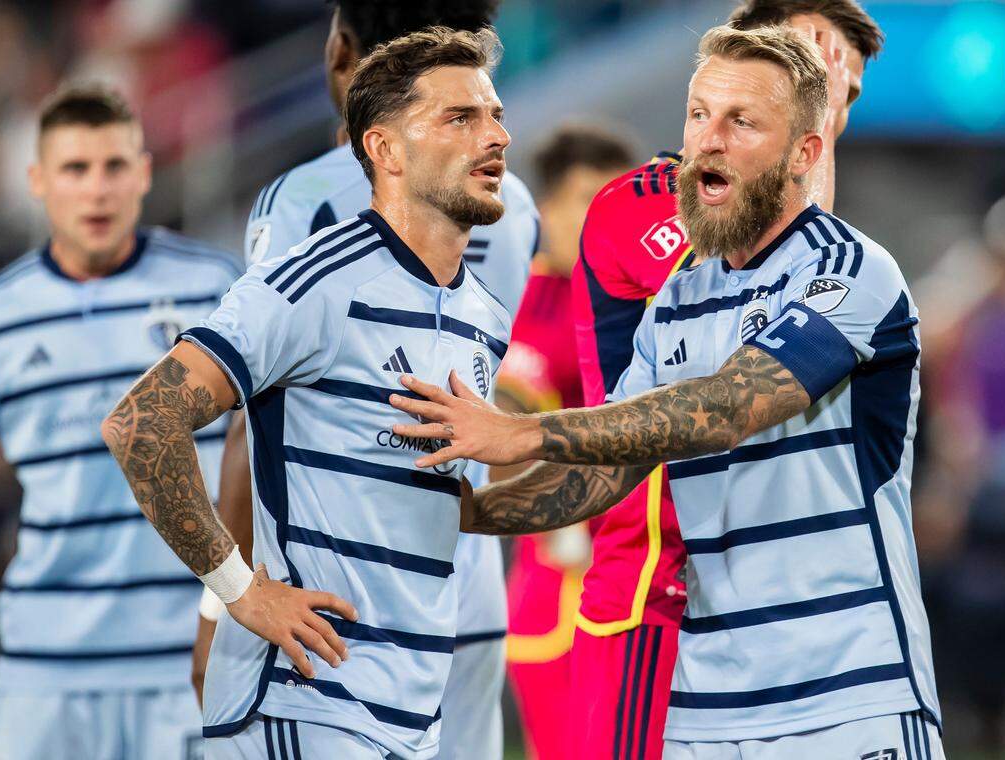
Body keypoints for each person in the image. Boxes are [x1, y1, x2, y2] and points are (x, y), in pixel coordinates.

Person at [389, 24, 944, 759]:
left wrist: (519, 433)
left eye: (740, 121)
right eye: (696, 114)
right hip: (708, 709)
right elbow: (615, 464)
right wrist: (469, 513)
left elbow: (723, 409)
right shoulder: (678, 299)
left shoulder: (850, 272)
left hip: (847, 696)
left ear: (803, 153)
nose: (705, 141)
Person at [102, 27, 513, 760]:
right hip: (305, 701)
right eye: (461, 117)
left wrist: (629, 443)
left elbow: (455, 505)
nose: (496, 137)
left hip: (408, 708)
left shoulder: (482, 314)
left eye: (496, 114)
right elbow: (142, 420)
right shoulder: (313, 280)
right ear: (384, 150)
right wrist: (235, 591)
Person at [568, 1, 884, 756]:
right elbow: (757, 265)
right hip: (659, 594)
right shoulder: (643, 203)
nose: (827, 80)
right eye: (810, 54)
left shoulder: (855, 263)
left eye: (843, 80)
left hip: (779, 604)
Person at [0, 85, 242, 760]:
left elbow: (251, 455)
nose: (97, 190)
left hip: (188, 653)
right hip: (43, 662)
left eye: (115, 167)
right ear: (37, 181)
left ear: (144, 173)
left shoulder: (216, 288)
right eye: (74, 169)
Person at [492, 125, 633, 760]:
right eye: (585, 197)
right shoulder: (508, 307)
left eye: (615, 199)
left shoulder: (653, 304)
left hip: (644, 580)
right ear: (546, 207)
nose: (601, 216)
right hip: (556, 589)